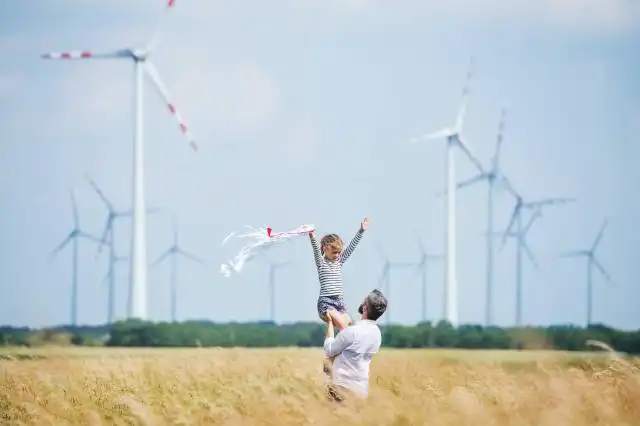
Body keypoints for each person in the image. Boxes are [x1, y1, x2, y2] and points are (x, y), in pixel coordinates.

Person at [322, 289, 387, 402]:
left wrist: (330, 323)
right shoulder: (377, 334)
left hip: (342, 388)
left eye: (364, 301)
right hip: (361, 390)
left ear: (365, 308)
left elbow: (329, 349)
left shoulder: (352, 332)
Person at [308, 216, 369, 331]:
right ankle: (333, 347)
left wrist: (361, 231)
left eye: (339, 252)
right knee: (343, 326)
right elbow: (316, 250)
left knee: (350, 326)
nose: (337, 255)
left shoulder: (339, 261)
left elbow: (351, 247)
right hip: (326, 302)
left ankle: (342, 347)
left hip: (340, 303)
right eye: (334, 252)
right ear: (325, 249)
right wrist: (312, 236)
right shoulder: (321, 263)